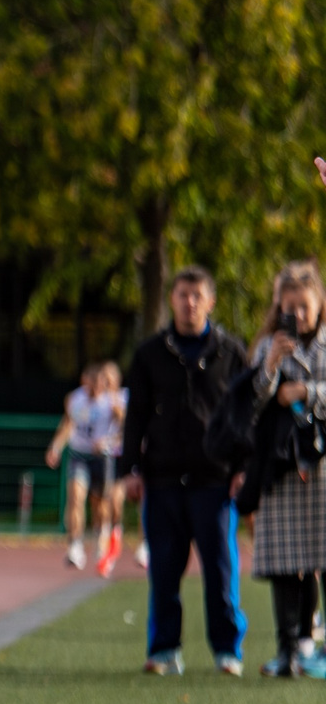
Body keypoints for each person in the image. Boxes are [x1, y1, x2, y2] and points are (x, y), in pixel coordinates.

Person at [120, 266, 249, 676]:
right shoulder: (149, 354)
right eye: (181, 295)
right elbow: (135, 416)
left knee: (220, 571)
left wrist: (243, 466)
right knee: (164, 570)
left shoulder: (231, 352)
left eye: (197, 295)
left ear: (210, 301)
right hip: (162, 481)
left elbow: (246, 415)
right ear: (172, 300)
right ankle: (164, 649)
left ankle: (227, 651)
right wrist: (131, 469)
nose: (189, 302)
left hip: (215, 481)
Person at [244, 263, 326, 678]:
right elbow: (251, 404)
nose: (297, 313)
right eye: (288, 305)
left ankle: (317, 646)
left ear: (319, 304)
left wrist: (308, 392)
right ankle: (287, 651)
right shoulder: (267, 347)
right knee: (284, 562)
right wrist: (272, 366)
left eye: (304, 305)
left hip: (324, 468)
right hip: (282, 467)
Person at [43, 360, 128, 574]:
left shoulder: (112, 402)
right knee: (76, 497)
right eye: (92, 380)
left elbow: (124, 428)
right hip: (79, 455)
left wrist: (109, 442)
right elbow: (68, 424)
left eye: (101, 381)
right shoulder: (76, 399)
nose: (96, 385)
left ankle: (102, 540)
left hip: (102, 458)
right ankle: (75, 545)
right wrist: (55, 447)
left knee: (101, 505)